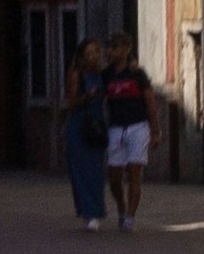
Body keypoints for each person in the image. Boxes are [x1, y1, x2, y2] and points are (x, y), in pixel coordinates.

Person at [98, 46, 155, 232]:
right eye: (110, 48)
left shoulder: (137, 74)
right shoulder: (106, 75)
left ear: (124, 50)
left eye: (114, 48)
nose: (110, 52)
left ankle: (130, 216)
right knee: (114, 175)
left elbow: (150, 101)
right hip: (116, 127)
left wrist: (156, 130)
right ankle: (121, 206)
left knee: (134, 171)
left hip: (138, 126)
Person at [54, 64, 114, 233]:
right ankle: (87, 211)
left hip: (97, 126)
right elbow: (71, 103)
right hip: (79, 125)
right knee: (79, 171)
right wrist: (87, 97)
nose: (95, 56)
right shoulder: (77, 75)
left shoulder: (103, 75)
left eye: (97, 52)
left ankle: (96, 211)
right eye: (90, 53)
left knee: (96, 171)